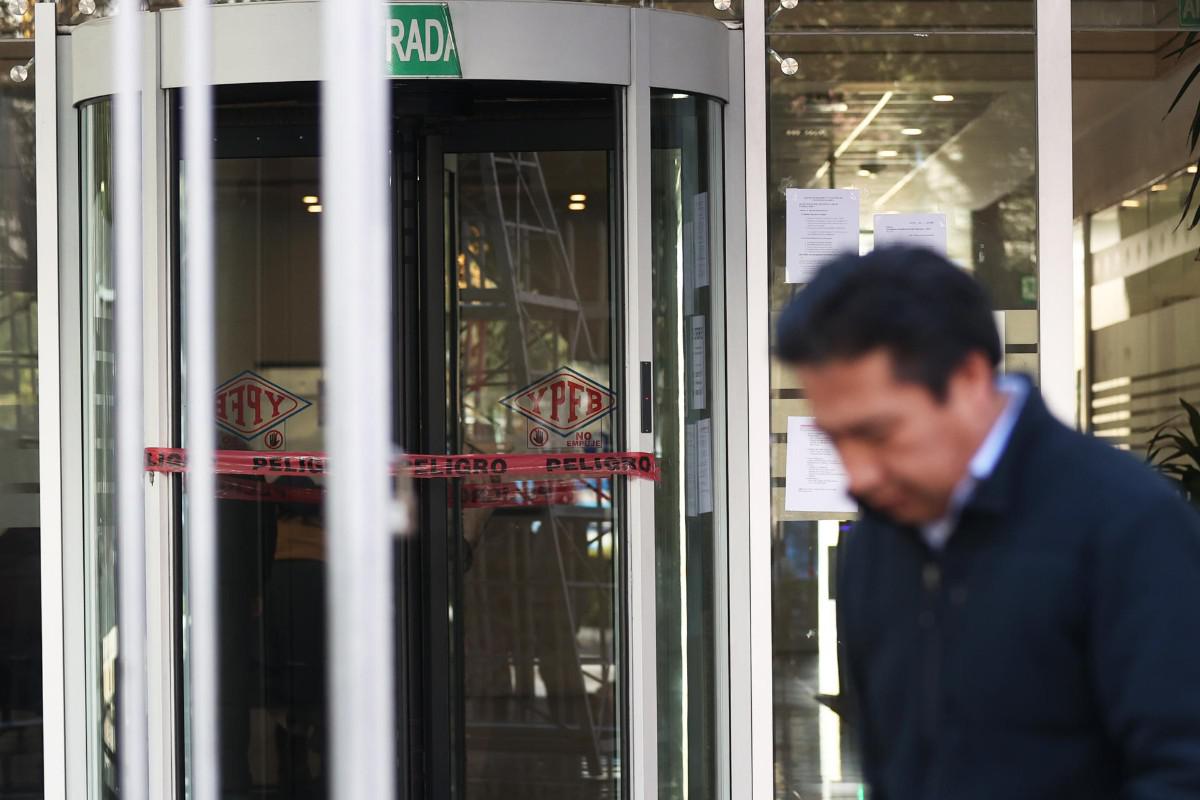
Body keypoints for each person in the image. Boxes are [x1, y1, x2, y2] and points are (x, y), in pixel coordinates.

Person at [774, 247, 1200, 800]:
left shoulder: (1125, 523)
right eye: (835, 440)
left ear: (969, 376)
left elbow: (1183, 769)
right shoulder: (876, 543)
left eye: (877, 434)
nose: (856, 474)